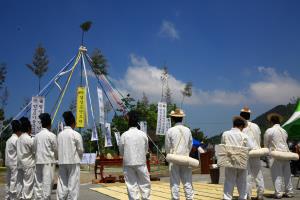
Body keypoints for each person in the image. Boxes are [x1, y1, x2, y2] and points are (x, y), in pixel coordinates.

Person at [119, 110, 151, 200]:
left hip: (128, 163)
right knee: (145, 184)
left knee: (131, 186)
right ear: (137, 122)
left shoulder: (124, 135)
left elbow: (121, 151)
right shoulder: (143, 134)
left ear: (128, 121)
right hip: (141, 162)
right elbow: (146, 149)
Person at [222, 116, 254, 200]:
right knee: (242, 181)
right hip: (241, 161)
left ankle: (227, 198)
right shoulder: (244, 136)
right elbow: (251, 147)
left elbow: (222, 146)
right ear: (241, 126)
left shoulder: (225, 134)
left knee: (229, 180)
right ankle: (242, 198)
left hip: (229, 161)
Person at [165, 108, 193, 200]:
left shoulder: (170, 131)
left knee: (175, 183)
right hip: (185, 158)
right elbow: (190, 144)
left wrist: (169, 155)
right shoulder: (187, 130)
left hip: (174, 158)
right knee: (188, 182)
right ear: (182, 118)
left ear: (173, 119)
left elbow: (167, 147)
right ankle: (189, 198)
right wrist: (186, 153)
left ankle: (175, 198)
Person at [264, 113, 293, 198]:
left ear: (271, 122)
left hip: (275, 154)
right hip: (286, 154)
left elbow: (266, 144)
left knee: (277, 175)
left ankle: (279, 193)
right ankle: (289, 192)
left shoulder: (269, 131)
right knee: (287, 174)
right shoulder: (284, 131)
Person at [56, 111, 83, 200]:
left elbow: (57, 149)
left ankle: (61, 198)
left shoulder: (59, 135)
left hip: (62, 161)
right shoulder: (76, 134)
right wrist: (79, 158)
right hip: (73, 161)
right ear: (73, 123)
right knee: (73, 185)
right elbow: (80, 150)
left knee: (62, 184)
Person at [240, 106, 265, 200]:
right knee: (258, 174)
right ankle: (260, 194)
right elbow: (259, 139)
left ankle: (248, 195)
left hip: (246, 153)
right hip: (256, 152)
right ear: (249, 116)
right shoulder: (256, 126)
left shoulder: (242, 127)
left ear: (241, 116)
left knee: (247, 175)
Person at [33, 113, 57, 199]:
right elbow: (56, 150)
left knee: (38, 185)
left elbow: (34, 149)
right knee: (47, 185)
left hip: (38, 162)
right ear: (49, 124)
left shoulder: (36, 136)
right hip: (48, 163)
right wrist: (56, 159)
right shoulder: (52, 135)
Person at [16, 117, 35, 200]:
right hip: (28, 165)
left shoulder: (18, 139)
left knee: (20, 184)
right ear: (28, 128)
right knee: (28, 185)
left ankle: (19, 197)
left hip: (20, 164)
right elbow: (35, 151)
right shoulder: (29, 139)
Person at [5, 120, 22, 200]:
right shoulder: (16, 140)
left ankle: (7, 197)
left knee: (8, 182)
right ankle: (13, 198)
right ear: (19, 130)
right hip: (14, 163)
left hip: (8, 163)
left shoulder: (8, 140)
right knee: (14, 182)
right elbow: (20, 152)